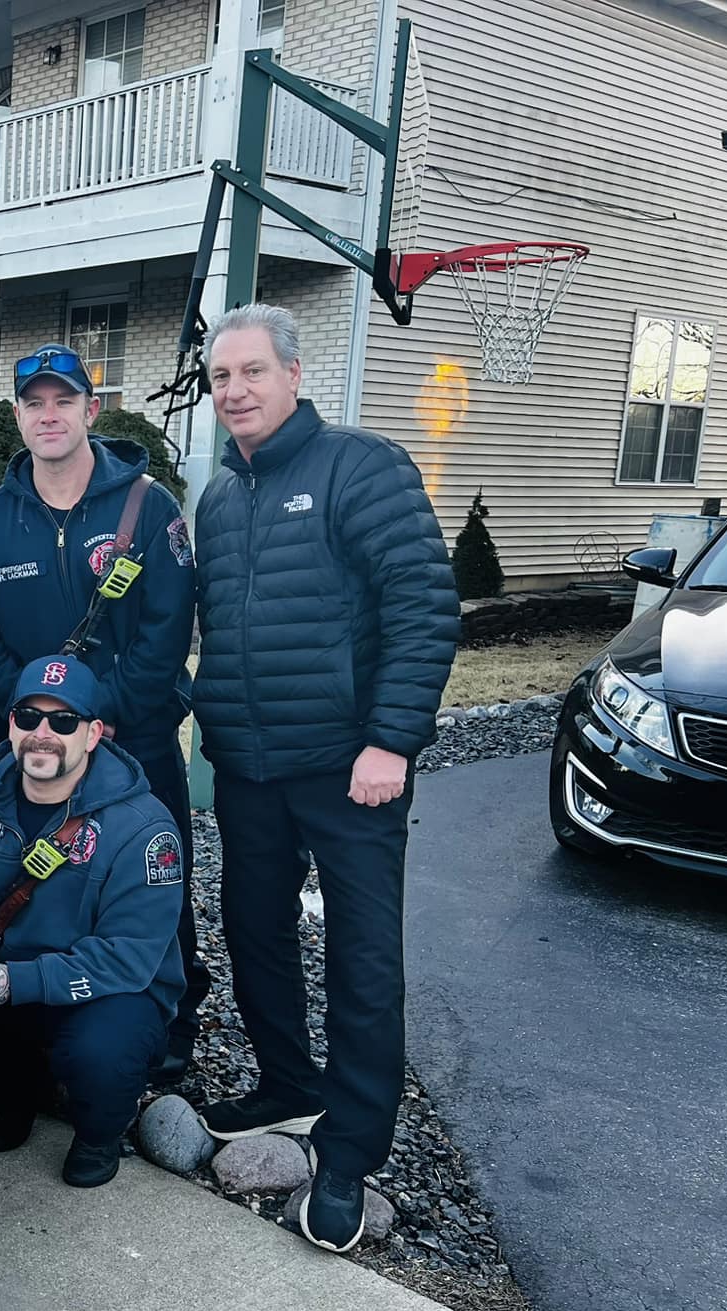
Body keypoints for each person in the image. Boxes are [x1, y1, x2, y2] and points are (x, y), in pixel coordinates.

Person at [191, 303, 460, 1254]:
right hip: (250, 767)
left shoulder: (362, 468)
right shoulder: (219, 499)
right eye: (221, 377)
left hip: (352, 771)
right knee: (251, 928)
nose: (235, 393)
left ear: (294, 375)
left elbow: (426, 609)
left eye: (252, 373)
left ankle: (351, 1145)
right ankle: (287, 1083)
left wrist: (390, 739)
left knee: (360, 956)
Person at [0, 344, 211, 1087]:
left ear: (91, 411)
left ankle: (167, 1031)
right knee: (34, 885)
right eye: (35, 402)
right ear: (19, 416)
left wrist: (103, 716)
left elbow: (167, 630)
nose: (49, 415)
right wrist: (39, 719)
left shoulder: (148, 507)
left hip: (136, 738)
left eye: (64, 400)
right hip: (34, 749)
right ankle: (40, 1037)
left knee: (157, 881)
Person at [0, 654, 185, 1191]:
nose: (42, 734)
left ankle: (99, 1133)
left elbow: (129, 956)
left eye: (63, 722)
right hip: (4, 981)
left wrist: (11, 983)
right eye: (28, 717)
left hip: (109, 991)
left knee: (101, 1051)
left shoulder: (144, 826)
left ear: (92, 735)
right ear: (11, 724)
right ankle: (16, 1100)